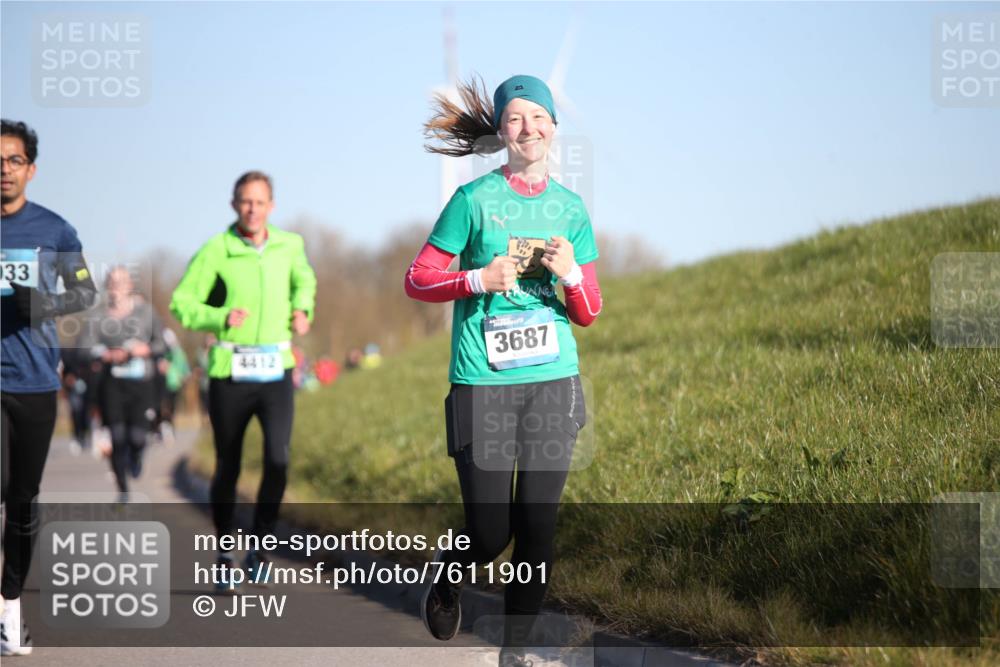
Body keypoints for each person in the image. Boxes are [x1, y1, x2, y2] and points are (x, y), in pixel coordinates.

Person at [406, 76, 603, 667]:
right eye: (516, 118)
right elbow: (417, 278)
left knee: (538, 529)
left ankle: (513, 651)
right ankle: (448, 572)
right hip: (483, 384)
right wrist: (477, 280)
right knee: (491, 536)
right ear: (501, 130)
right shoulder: (473, 200)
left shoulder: (571, 209)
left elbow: (589, 311)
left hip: (552, 381)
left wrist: (570, 275)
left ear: (553, 127)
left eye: (539, 117)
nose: (529, 128)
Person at [170, 171, 316, 592]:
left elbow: (305, 280)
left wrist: (303, 308)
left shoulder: (291, 245)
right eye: (244, 201)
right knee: (228, 465)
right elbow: (182, 301)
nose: (252, 209)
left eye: (259, 201)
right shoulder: (217, 250)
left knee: (278, 459)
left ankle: (261, 546)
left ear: (272, 206)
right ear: (234, 205)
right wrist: (218, 317)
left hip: (275, 370)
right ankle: (224, 553)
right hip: (229, 374)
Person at [1, 119, 98, 656]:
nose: (4, 169)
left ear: (30, 170)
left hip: (35, 379)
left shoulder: (54, 230)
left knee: (22, 499)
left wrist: (43, 304)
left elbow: (84, 294)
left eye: (13, 160)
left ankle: (10, 606)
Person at [79, 267, 165, 497]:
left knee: (137, 437)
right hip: (112, 384)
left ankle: (137, 455)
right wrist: (105, 354)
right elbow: (83, 348)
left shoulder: (146, 313)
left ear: (130, 286)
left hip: (141, 383)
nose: (116, 287)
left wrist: (143, 349)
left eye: (121, 282)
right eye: (112, 283)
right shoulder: (98, 317)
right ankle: (123, 490)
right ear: (107, 287)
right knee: (117, 437)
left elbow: (162, 344)